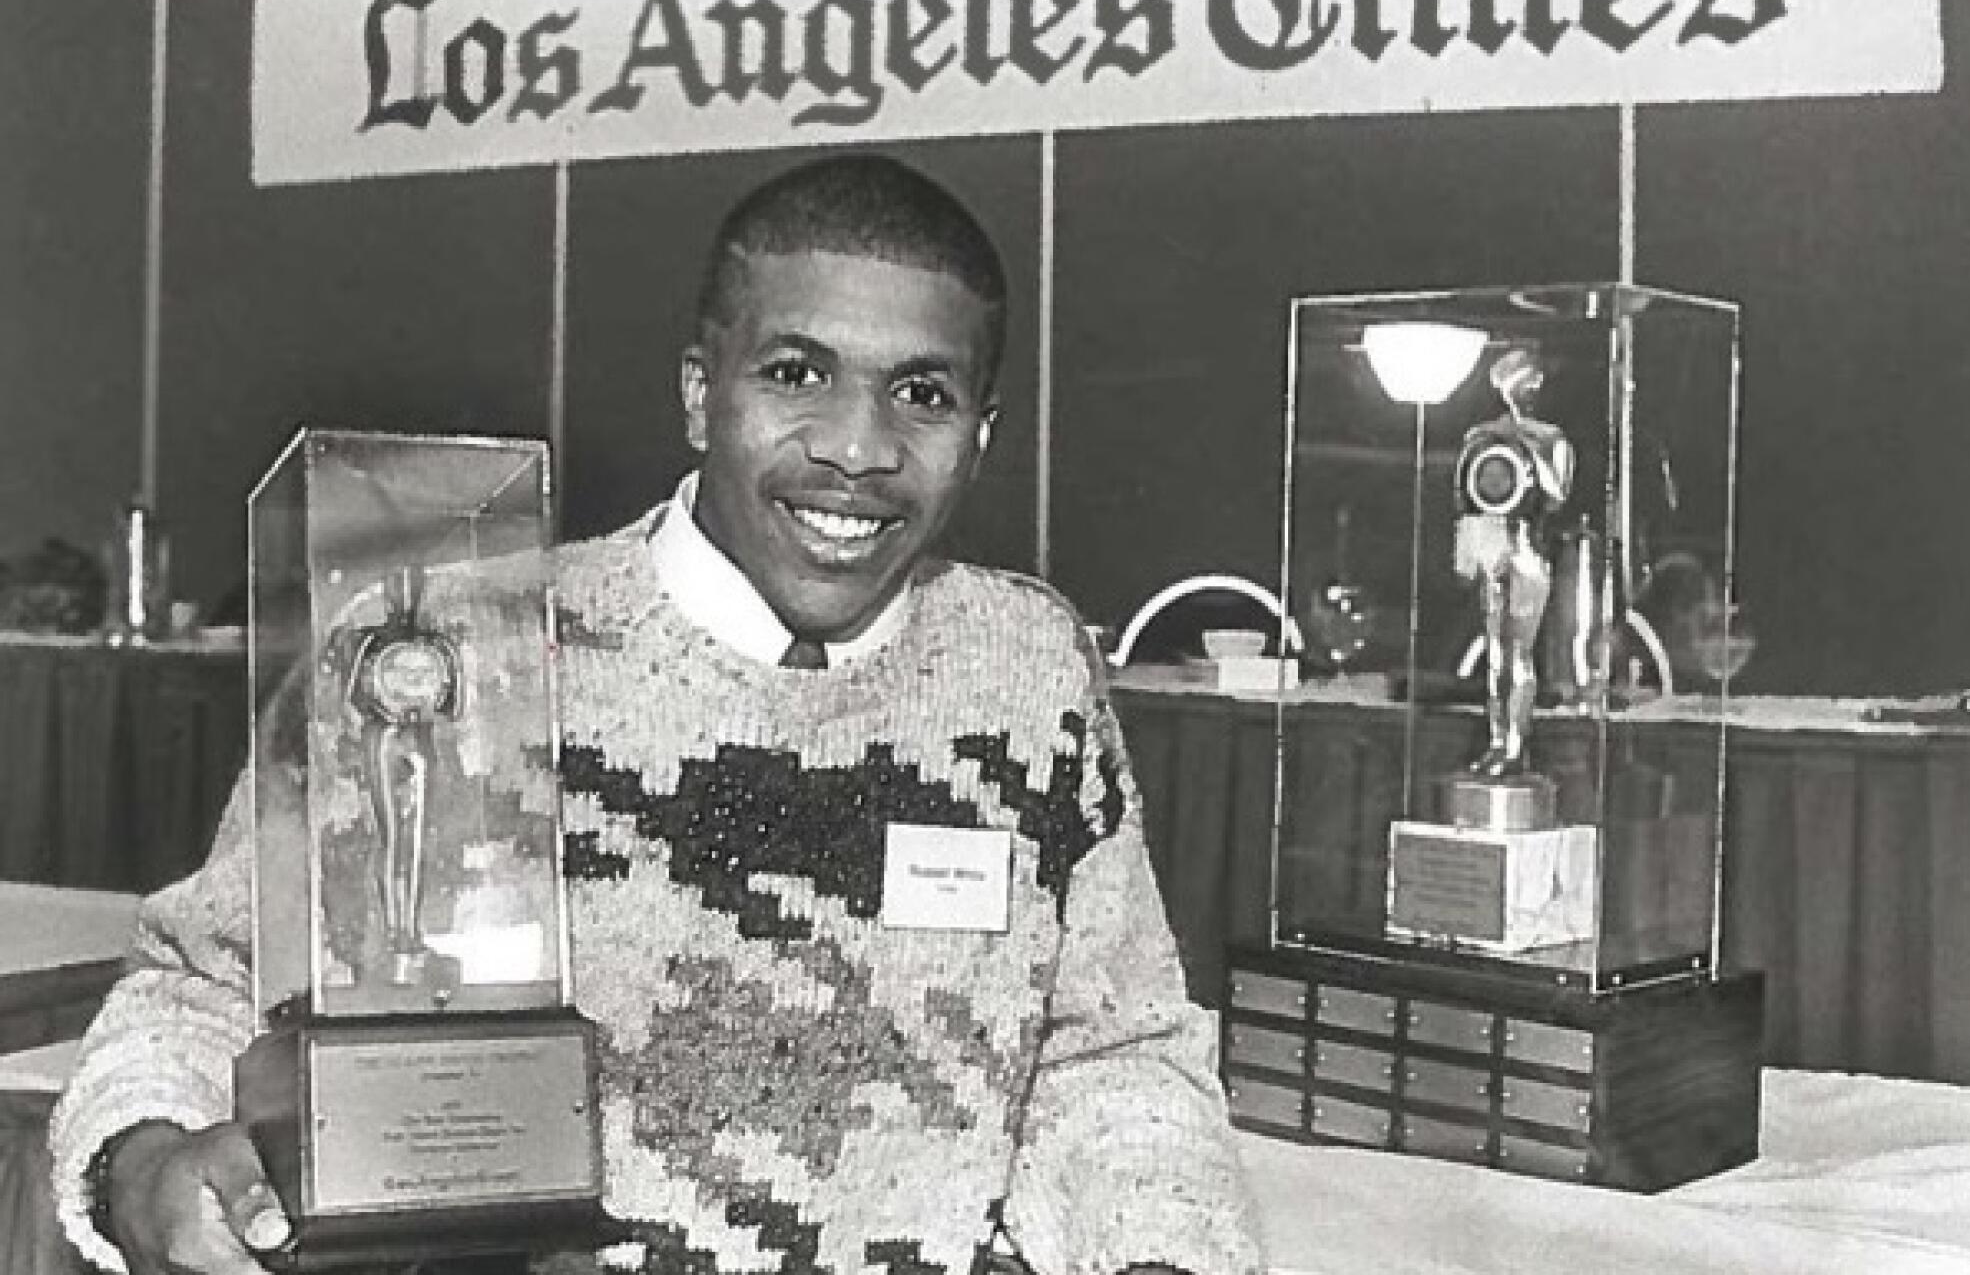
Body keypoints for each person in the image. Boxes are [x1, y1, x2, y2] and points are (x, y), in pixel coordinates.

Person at [47, 154, 1263, 1275]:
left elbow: (1112, 1053)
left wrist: (1157, 1245)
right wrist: (144, 1165)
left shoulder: (1027, 663)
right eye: (795, 373)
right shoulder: (447, 645)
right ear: (699, 389)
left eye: (922, 395)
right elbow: (197, 984)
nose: (855, 446)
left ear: (981, 434)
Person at [1452, 348, 1574, 777]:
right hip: (1491, 548)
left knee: (1518, 653)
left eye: (1526, 381)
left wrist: (1527, 449)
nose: (1519, 391)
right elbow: (1466, 495)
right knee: (1495, 656)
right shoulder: (1479, 435)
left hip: (1528, 552)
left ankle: (1516, 746)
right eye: (1511, 381)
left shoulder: (1551, 438)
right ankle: (1496, 741)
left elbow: (1558, 495)